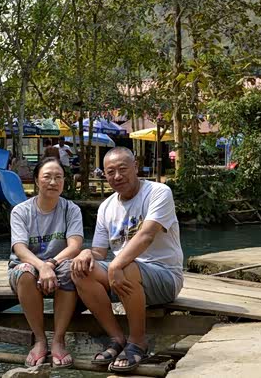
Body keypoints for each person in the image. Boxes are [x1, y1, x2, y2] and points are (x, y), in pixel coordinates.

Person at [71, 147, 183, 374]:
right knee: (80, 270)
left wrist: (116, 264)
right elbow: (99, 252)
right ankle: (117, 338)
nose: (117, 176)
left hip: (164, 276)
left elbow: (146, 235)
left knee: (126, 265)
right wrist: (85, 253)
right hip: (122, 276)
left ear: (136, 167)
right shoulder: (106, 207)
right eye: (110, 172)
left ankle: (138, 342)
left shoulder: (159, 192)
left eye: (123, 169)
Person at [8, 157, 84, 368]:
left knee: (70, 271)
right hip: (28, 265)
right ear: (36, 180)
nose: (53, 182)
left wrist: (50, 264)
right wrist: (41, 266)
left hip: (59, 265)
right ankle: (40, 340)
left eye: (58, 177)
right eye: (47, 177)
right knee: (25, 272)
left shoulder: (71, 209)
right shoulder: (21, 211)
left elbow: (75, 246)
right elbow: (19, 248)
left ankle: (58, 340)